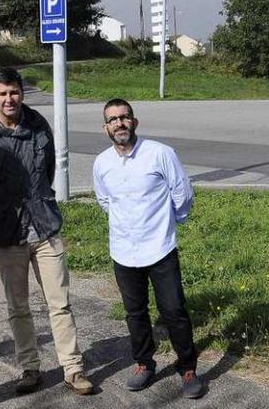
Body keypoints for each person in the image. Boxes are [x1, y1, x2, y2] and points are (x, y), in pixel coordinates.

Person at [0, 67, 94, 396]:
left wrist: (38, 204)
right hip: (8, 237)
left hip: (45, 229)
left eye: (14, 92)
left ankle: (73, 369)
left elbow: (46, 172)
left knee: (60, 303)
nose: (10, 99)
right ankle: (30, 369)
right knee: (17, 306)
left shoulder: (39, 127)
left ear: (22, 93)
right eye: (3, 93)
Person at [92, 98, 204, 400]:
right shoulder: (102, 163)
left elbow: (182, 193)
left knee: (174, 310)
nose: (119, 124)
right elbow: (105, 201)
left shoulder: (160, 154)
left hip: (160, 248)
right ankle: (144, 364)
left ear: (134, 122)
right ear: (106, 128)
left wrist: (170, 222)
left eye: (124, 117)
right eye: (113, 120)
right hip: (123, 251)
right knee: (135, 312)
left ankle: (188, 368)